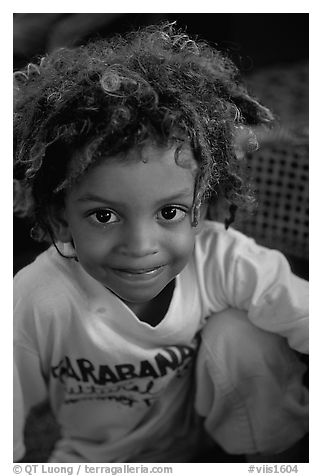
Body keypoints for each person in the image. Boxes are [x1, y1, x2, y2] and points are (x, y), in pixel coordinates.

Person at [13, 22, 308, 463]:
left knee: (240, 336)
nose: (140, 245)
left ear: (200, 209)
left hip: (214, 438)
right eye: (104, 215)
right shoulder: (38, 299)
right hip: (103, 460)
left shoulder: (220, 258)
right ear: (61, 220)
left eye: (169, 212)